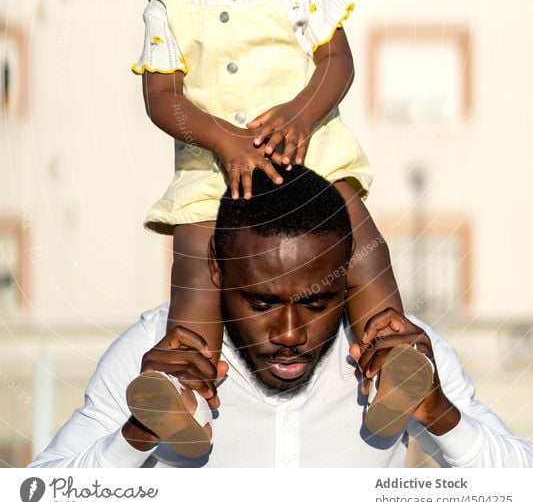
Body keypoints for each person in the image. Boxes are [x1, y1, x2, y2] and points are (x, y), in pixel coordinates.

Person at [69, 0, 424, 452]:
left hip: (313, 156)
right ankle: (183, 399)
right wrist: (223, 139)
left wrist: (300, 112)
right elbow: (163, 98)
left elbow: (336, 61)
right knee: (198, 279)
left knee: (360, 249)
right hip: (212, 173)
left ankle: (392, 361)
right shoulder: (168, 8)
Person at [29, 167, 533, 469]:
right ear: (218, 274)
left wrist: (439, 415)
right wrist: (137, 434)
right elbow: (37, 500)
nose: (290, 335)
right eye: (262, 303)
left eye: (316, 302)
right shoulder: (156, 357)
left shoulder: (401, 354)